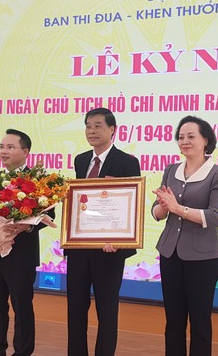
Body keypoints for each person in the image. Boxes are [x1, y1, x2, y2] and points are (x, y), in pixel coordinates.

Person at [152, 115, 218, 356]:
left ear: (206, 140)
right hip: (170, 252)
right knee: (173, 321)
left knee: (199, 322)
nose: (184, 141)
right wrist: (164, 207)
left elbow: (216, 216)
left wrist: (179, 209)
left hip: (203, 257)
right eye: (181, 137)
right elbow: (156, 213)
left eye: (191, 136)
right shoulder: (171, 170)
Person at [0, 129, 54, 356]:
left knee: (22, 306)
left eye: (10, 147)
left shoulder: (38, 181)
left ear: (25, 151)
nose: (3, 151)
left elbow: (50, 215)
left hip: (21, 255)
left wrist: (28, 225)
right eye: (1, 147)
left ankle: (23, 351)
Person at [67, 107, 141, 356]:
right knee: (75, 310)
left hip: (109, 250)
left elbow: (130, 206)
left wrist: (120, 239)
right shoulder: (80, 160)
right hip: (79, 248)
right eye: (88, 126)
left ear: (112, 130)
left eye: (98, 125)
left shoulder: (127, 162)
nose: (91, 130)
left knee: (107, 313)